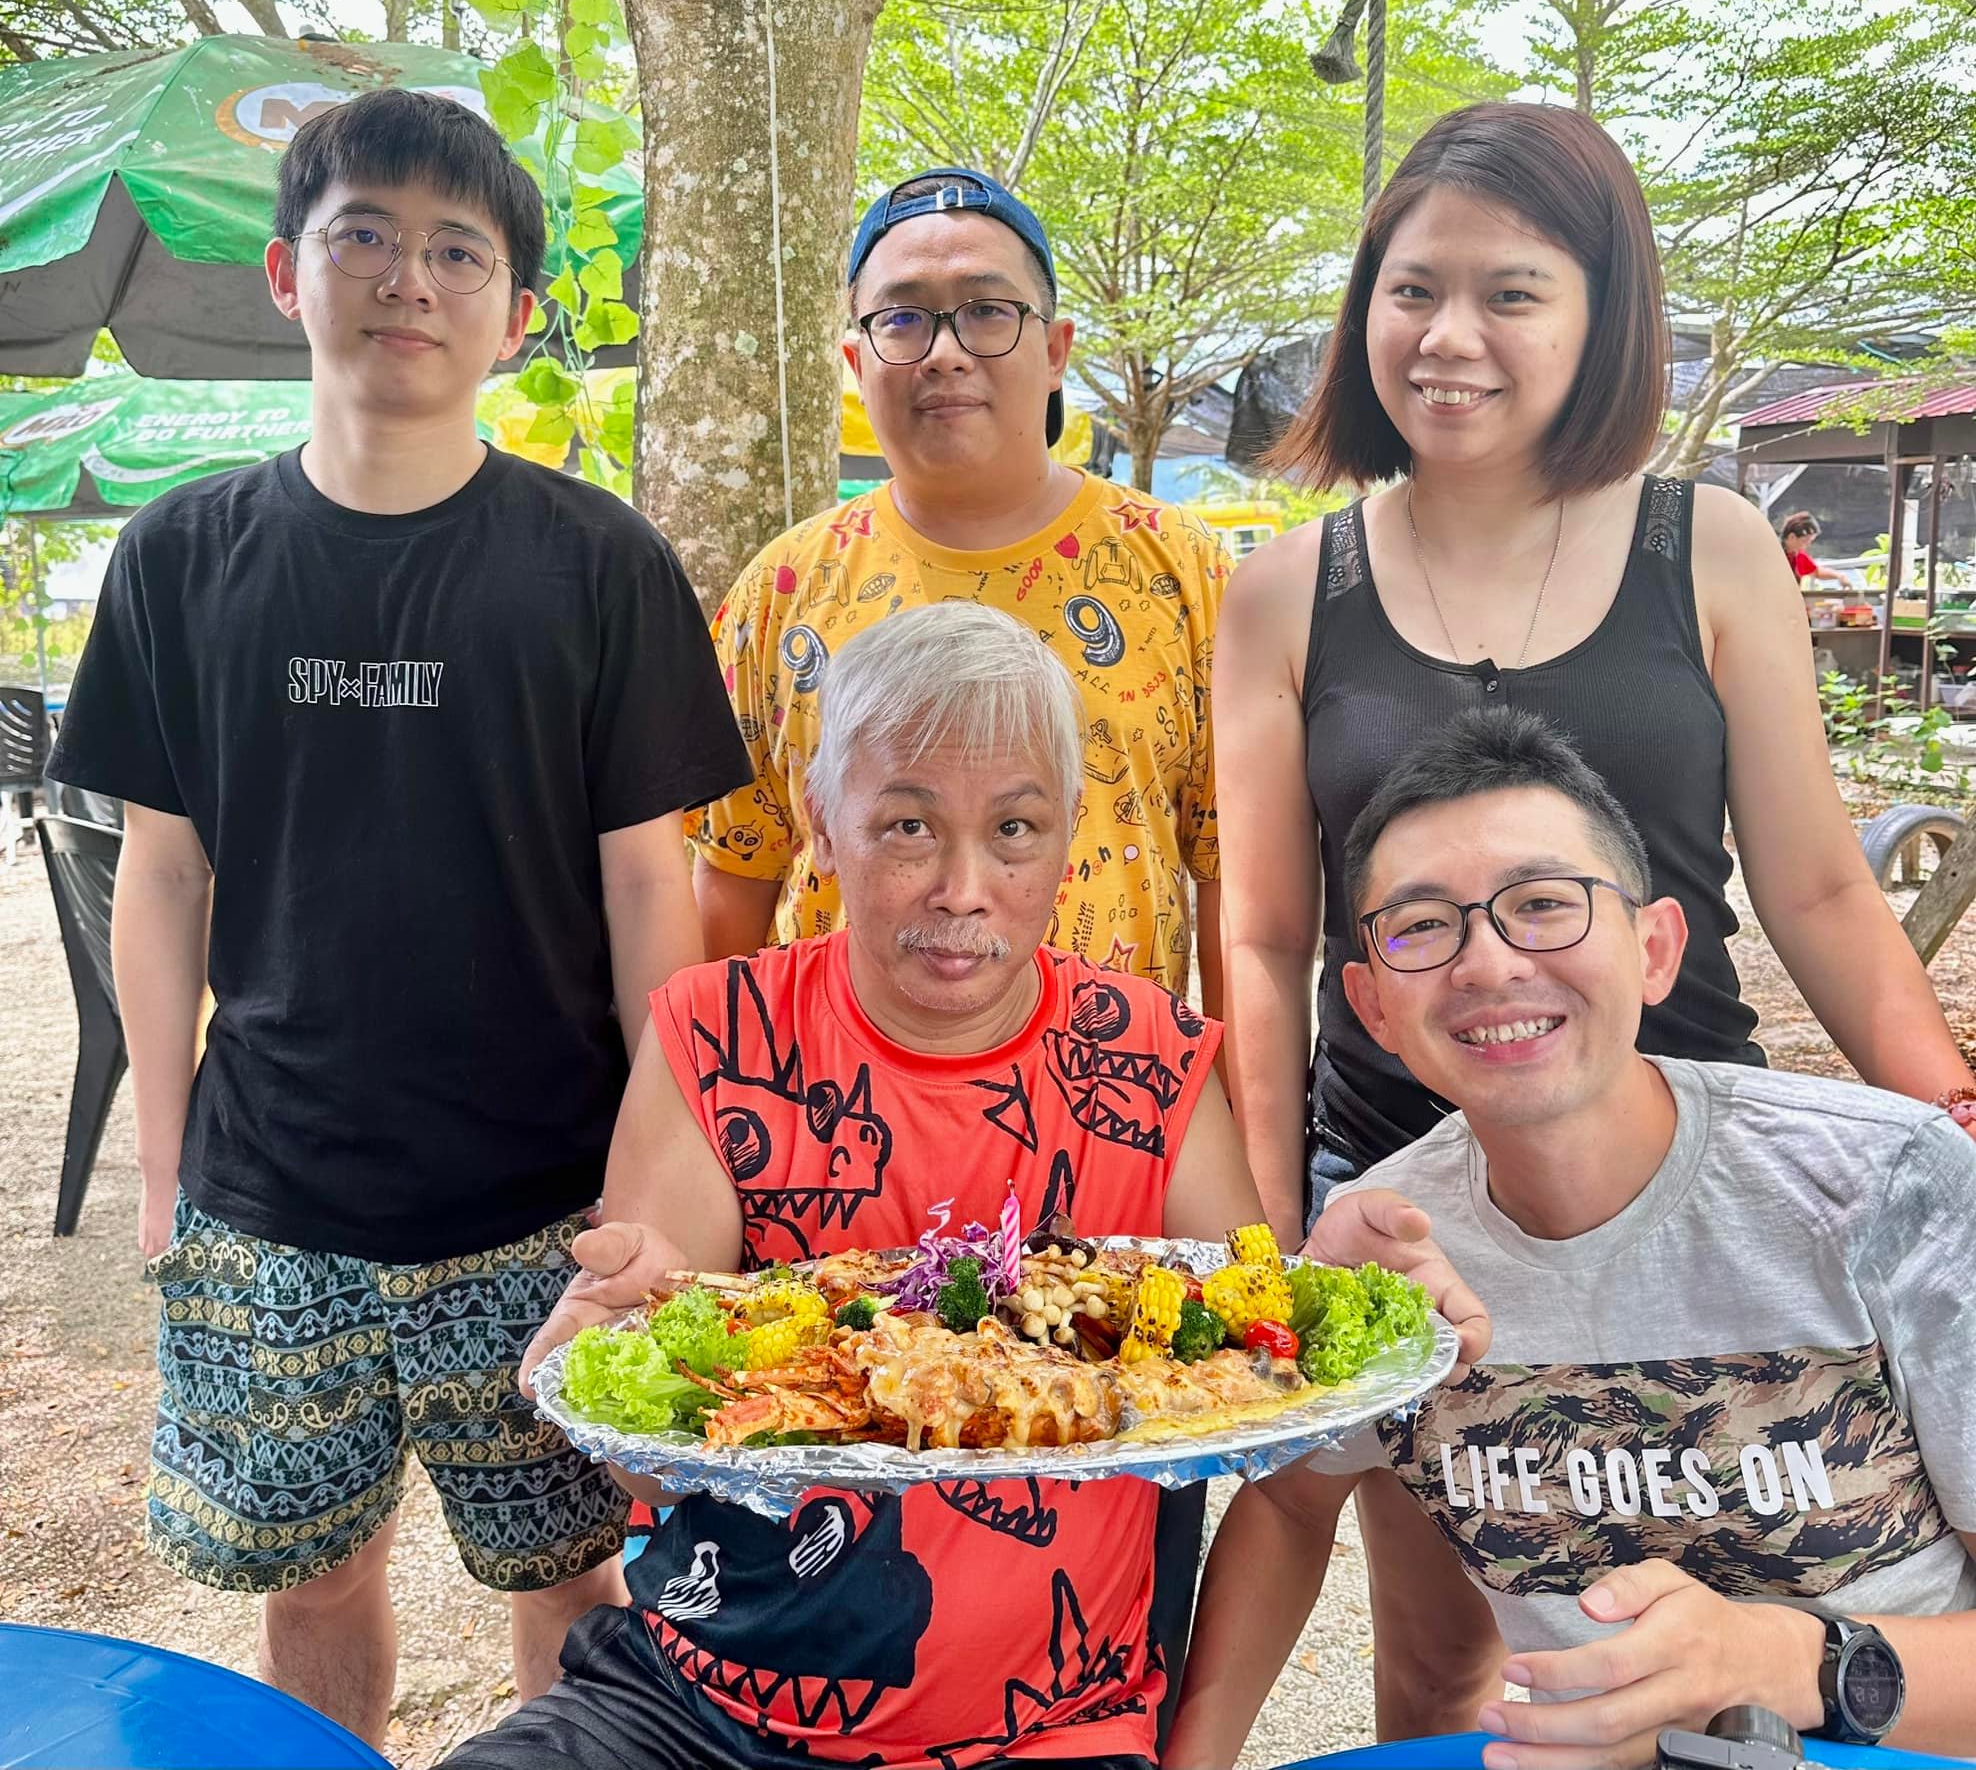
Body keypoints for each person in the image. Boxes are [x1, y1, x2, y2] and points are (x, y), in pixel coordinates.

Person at [1210, 101, 1975, 1734]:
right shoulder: (1286, 586)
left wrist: (1948, 1107)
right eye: (1412, 289)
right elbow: (1267, 940)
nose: (1449, 336)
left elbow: (1821, 883)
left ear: (1598, 312)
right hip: (1410, 1195)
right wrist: (1277, 1218)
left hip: (1690, 1179)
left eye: (1512, 290)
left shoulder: (1702, 547)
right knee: (1455, 1651)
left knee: (1757, 1626)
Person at [445, 604, 1487, 1770]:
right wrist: (586, 1353)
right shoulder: (715, 1036)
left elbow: (1271, 1423)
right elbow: (651, 1449)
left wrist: (1332, 1303)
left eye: (1013, 828)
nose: (962, 886)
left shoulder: (1146, 1059)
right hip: (700, 1705)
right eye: (905, 824)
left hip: (1054, 1724)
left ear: (1064, 839)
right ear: (821, 829)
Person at [45, 89, 752, 1748]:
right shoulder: (181, 556)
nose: (409, 278)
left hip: (541, 1194)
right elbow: (163, 870)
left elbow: (652, 879)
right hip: (277, 1189)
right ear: (290, 274)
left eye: (458, 249)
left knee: (573, 1582)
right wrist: (164, 1166)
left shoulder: (598, 563)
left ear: (512, 313)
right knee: (309, 1580)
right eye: (365, 234)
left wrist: (652, 1171)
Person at [1169, 708, 1976, 1770]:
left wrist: (1786, 1660)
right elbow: (1286, 1501)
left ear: (1653, 949)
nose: (1490, 963)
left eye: (1542, 905)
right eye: (1421, 927)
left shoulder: (1882, 1183)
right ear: (1367, 1004)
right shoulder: (1388, 1245)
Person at [688, 167, 1229, 1009]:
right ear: (856, 361)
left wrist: (1241, 1129)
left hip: (1109, 1110)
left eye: (986, 311)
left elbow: (1234, 887)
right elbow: (733, 878)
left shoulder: (1184, 571)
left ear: (1055, 351)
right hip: (830, 1114)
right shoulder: (781, 591)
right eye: (902, 318)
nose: (944, 352)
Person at [1779, 511, 1825, 579]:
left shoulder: (1798, 555)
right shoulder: (1776, 556)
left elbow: (1815, 571)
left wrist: (1839, 576)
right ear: (1792, 537)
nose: (1808, 545)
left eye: (1810, 541)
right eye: (1805, 541)